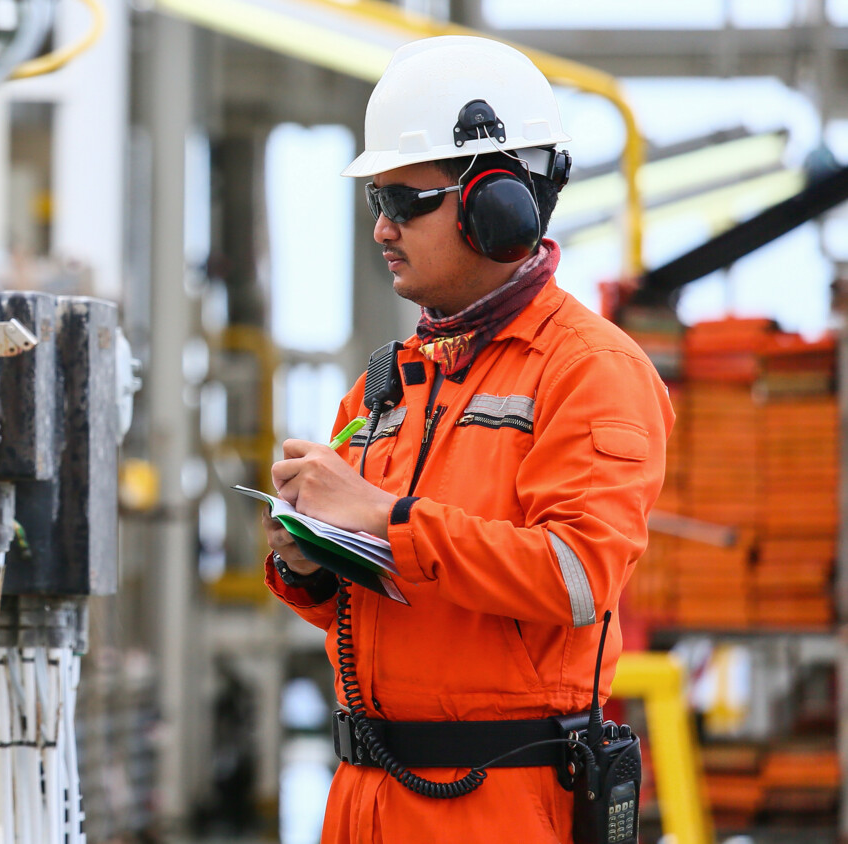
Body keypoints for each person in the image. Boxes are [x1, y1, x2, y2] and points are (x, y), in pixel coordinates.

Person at [262, 36, 674, 843]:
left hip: (499, 809)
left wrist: (384, 517)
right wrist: (306, 561)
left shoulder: (590, 370)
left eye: (405, 201)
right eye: (374, 201)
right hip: (365, 802)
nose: (383, 228)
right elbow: (387, 609)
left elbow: (578, 576)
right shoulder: (391, 381)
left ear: (498, 206)